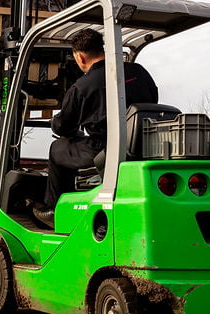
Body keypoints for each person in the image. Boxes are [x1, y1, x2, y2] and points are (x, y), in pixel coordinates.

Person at [33, 29, 158, 228]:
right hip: (145, 144)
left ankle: (54, 209)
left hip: (104, 149)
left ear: (80, 57)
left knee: (58, 148)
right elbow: (154, 99)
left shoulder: (82, 87)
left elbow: (64, 126)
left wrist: (55, 122)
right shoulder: (139, 72)